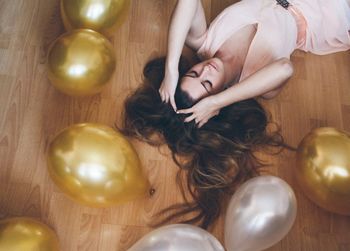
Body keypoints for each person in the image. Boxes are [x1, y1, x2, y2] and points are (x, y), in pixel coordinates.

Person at [122, 0, 350, 229]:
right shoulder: (257, 81)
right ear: (215, 100)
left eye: (194, 73)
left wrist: (171, 69)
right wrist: (217, 101)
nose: (206, 70)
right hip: (324, 13)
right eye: (207, 84)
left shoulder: (203, 42)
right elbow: (285, 68)